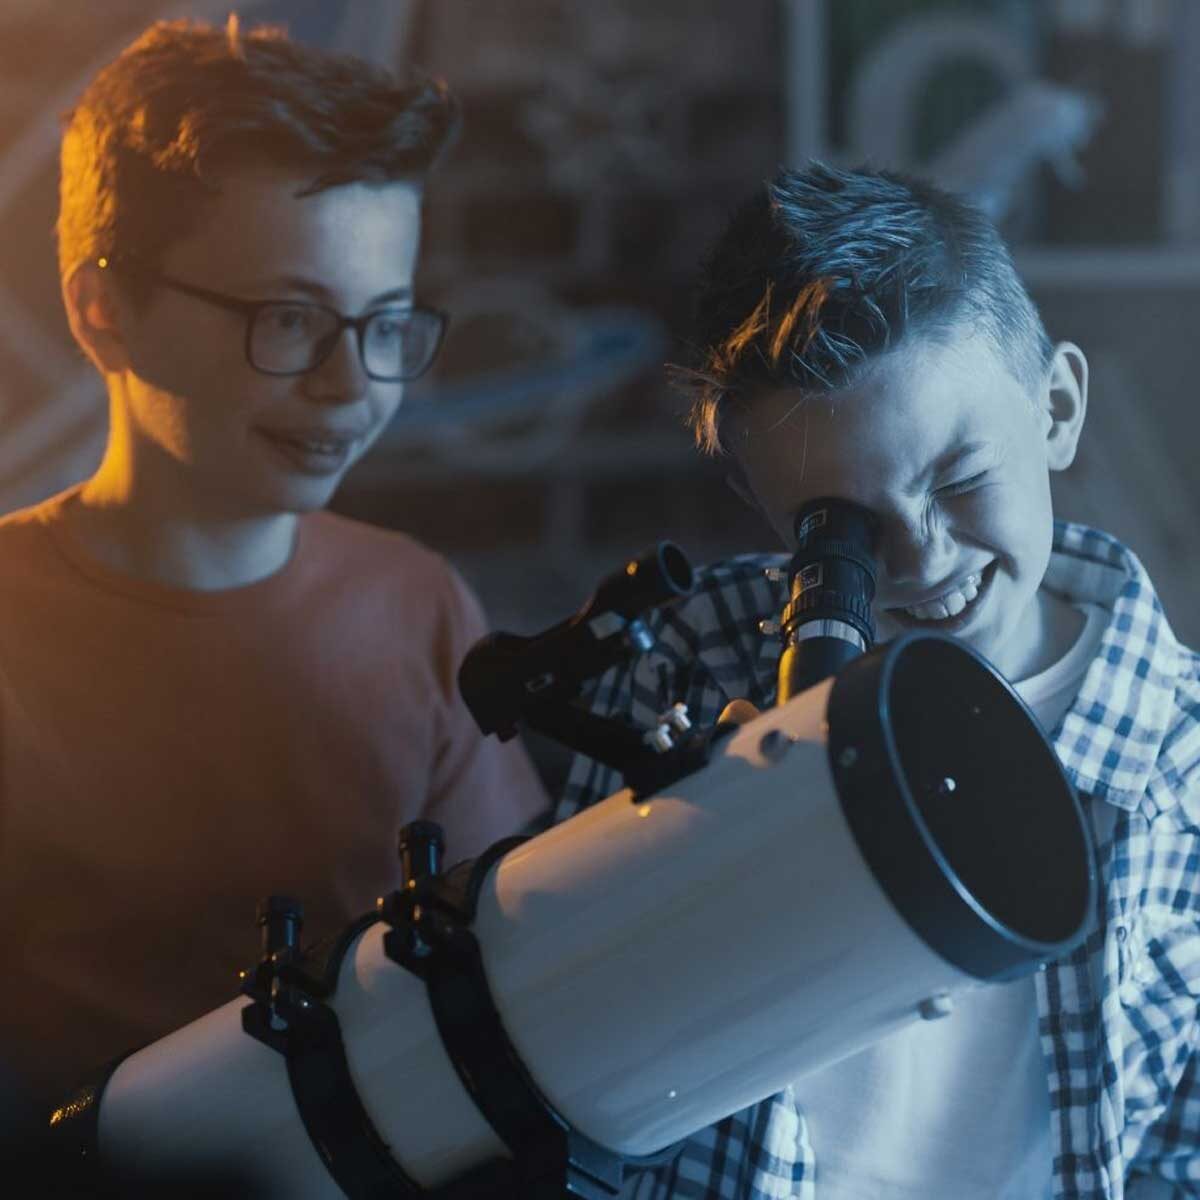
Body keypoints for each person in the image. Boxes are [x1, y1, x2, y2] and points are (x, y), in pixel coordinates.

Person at [558, 164, 1200, 1199]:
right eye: (838, 533)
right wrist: (692, 861)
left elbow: (1186, 1135)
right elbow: (583, 1048)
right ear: (762, 505)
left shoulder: (1187, 750)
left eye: (957, 479)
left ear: (1059, 408)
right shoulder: (696, 659)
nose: (919, 559)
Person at [0, 16, 548, 1120]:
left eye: (385, 323)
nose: (353, 388)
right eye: (291, 320)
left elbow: (521, 970)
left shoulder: (421, 606)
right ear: (105, 312)